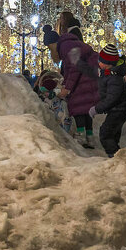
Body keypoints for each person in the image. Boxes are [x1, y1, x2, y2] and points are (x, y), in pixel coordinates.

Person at [54, 11, 100, 149]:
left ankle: (81, 137)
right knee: (86, 110)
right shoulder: (74, 42)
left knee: (79, 108)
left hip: (81, 83)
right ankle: (90, 137)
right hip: (89, 80)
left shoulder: (66, 45)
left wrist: (67, 87)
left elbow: (73, 68)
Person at [95, 44, 126, 158]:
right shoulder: (108, 74)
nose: (98, 62)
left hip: (118, 110)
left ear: (107, 63)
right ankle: (117, 157)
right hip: (117, 110)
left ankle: (116, 158)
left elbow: (112, 98)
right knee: (113, 135)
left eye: (100, 60)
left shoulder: (114, 77)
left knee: (105, 134)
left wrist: (97, 108)